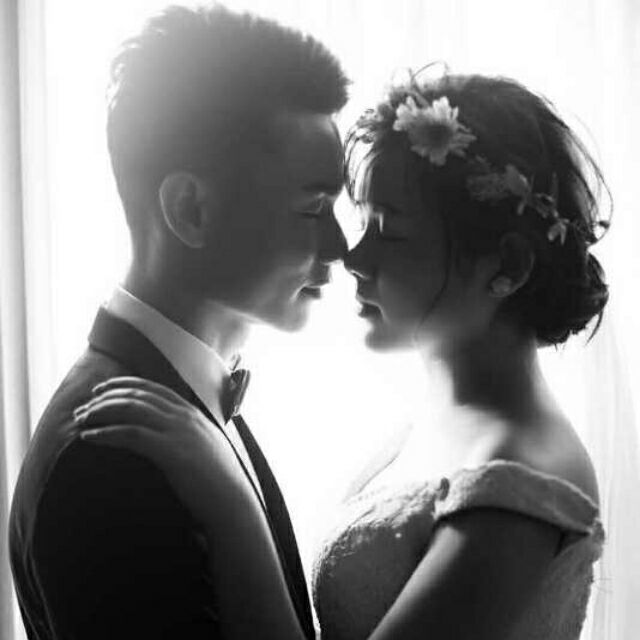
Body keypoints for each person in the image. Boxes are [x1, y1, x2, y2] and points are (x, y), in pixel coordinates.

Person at [76, 69, 611, 640]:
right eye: (366, 223)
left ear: (508, 265)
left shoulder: (522, 480)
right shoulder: (431, 421)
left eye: (391, 232)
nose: (353, 257)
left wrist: (226, 498)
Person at [8, 4, 348, 639]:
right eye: (313, 208)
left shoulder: (177, 402)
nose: (340, 246)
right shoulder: (108, 458)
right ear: (191, 209)